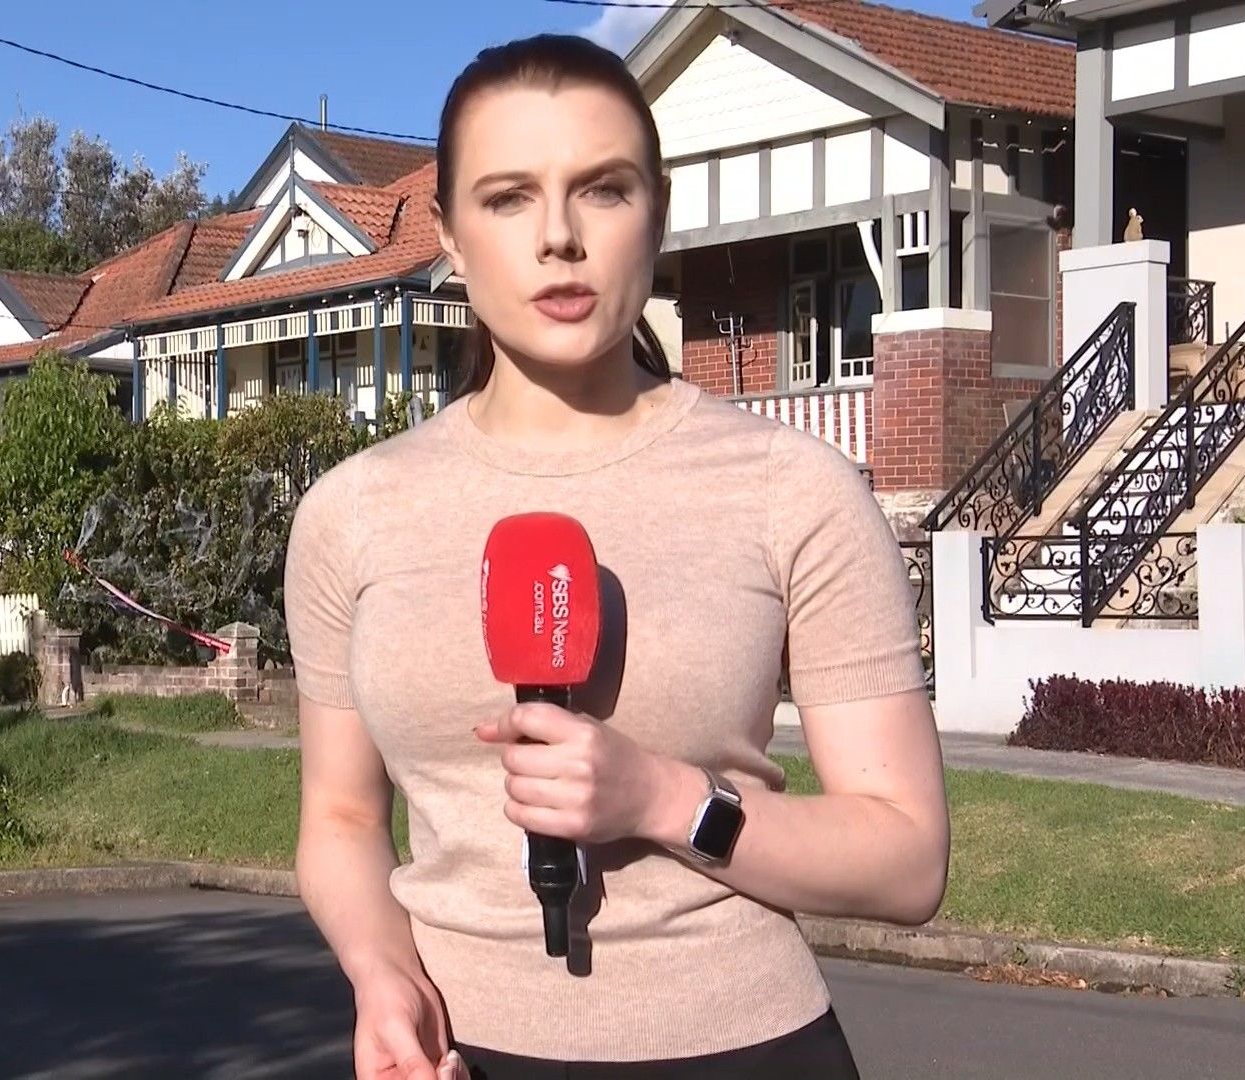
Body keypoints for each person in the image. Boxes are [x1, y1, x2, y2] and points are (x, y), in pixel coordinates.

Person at [284, 34, 949, 1080]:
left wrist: (664, 801)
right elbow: (340, 819)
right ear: (450, 234)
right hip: (455, 1054)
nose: (559, 237)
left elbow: (907, 860)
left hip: (745, 1048)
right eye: (509, 198)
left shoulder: (795, 488)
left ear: (658, 212)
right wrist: (382, 975)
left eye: (602, 189)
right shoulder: (350, 514)